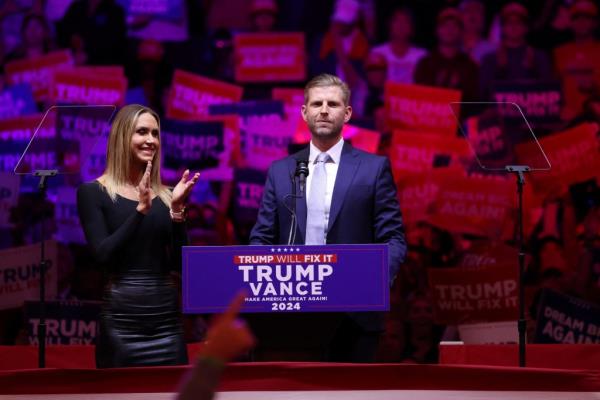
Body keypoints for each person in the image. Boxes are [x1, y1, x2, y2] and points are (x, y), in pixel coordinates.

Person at [249, 73, 407, 362]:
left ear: (347, 113)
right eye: (317, 103)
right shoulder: (281, 170)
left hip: (355, 314)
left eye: (332, 104)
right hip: (292, 312)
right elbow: (261, 238)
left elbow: (393, 238)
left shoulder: (373, 168)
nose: (323, 110)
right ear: (304, 112)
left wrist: (375, 280)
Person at [77, 104, 200, 368]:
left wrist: (177, 212)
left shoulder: (168, 195)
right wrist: (140, 212)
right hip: (121, 320)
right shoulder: (93, 192)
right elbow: (103, 255)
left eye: (155, 133)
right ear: (122, 137)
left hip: (166, 320)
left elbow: (181, 265)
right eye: (142, 132)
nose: (151, 140)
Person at [413, 7, 480, 103]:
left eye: (454, 26)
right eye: (445, 25)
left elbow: (473, 101)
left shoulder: (470, 67)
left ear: (461, 31)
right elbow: (418, 98)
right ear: (437, 30)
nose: (449, 30)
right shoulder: (425, 64)